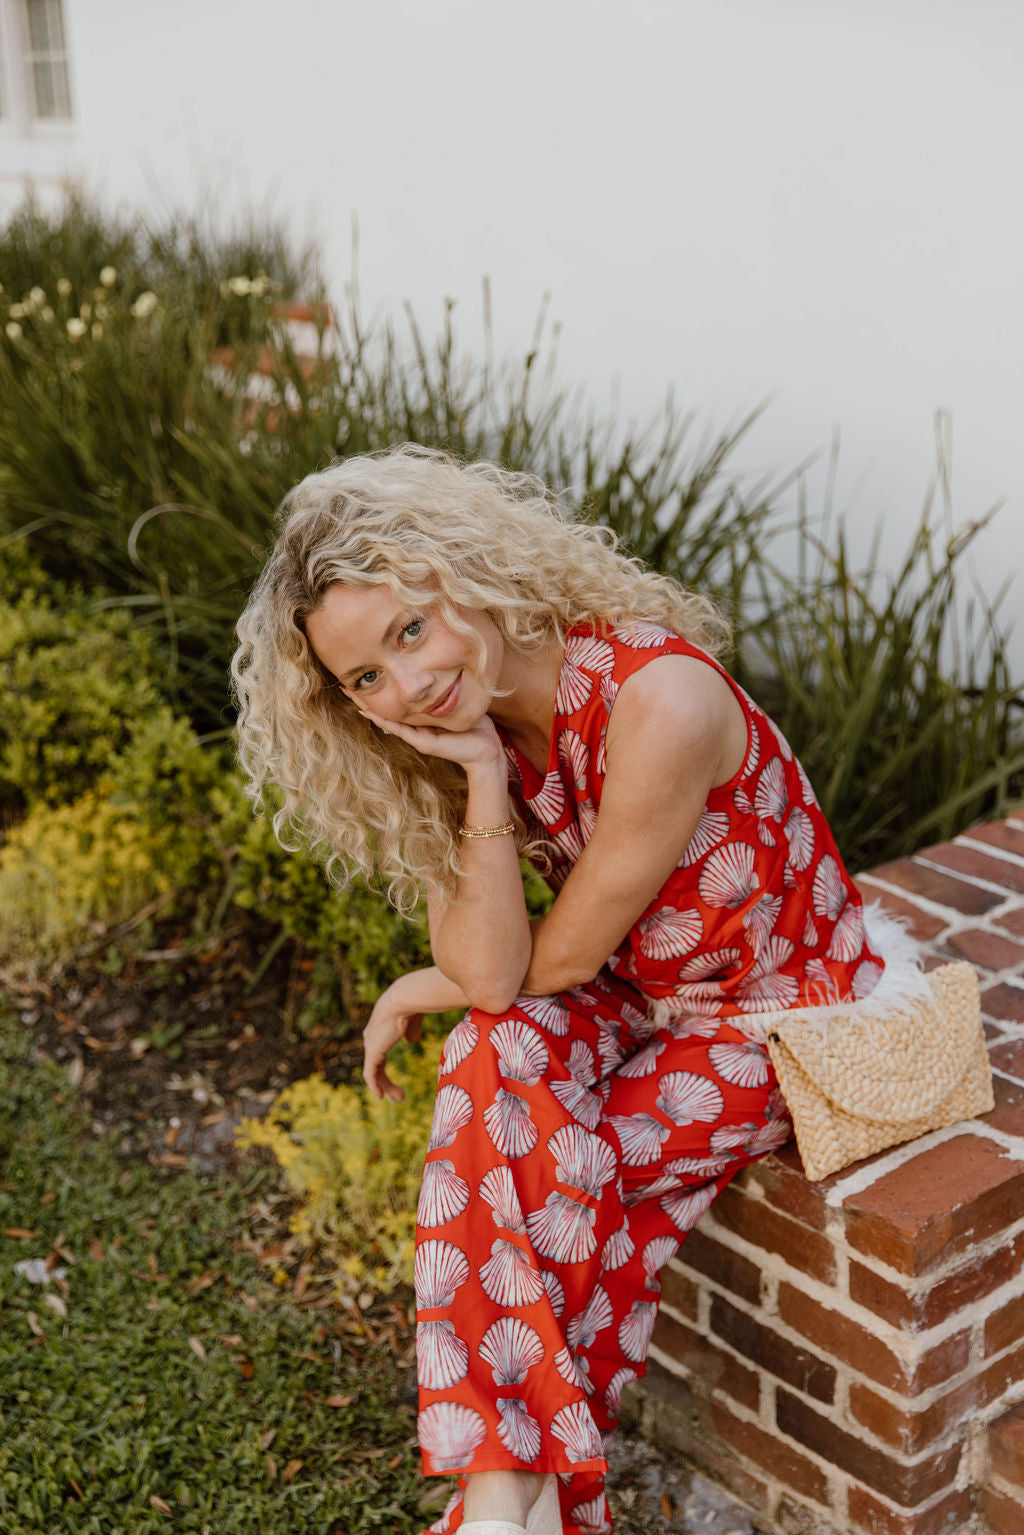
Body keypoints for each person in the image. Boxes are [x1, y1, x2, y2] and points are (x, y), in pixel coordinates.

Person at [231, 445, 917, 1535]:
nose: (406, 685)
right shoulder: (462, 736)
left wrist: (416, 983)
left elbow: (544, 963)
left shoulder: (659, 699)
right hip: (636, 990)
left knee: (557, 1171)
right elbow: (498, 977)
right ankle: (516, 1501)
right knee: (488, 1055)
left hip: (776, 1008)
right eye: (365, 679)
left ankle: (508, 1502)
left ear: (463, 571)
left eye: (409, 630)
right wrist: (476, 775)